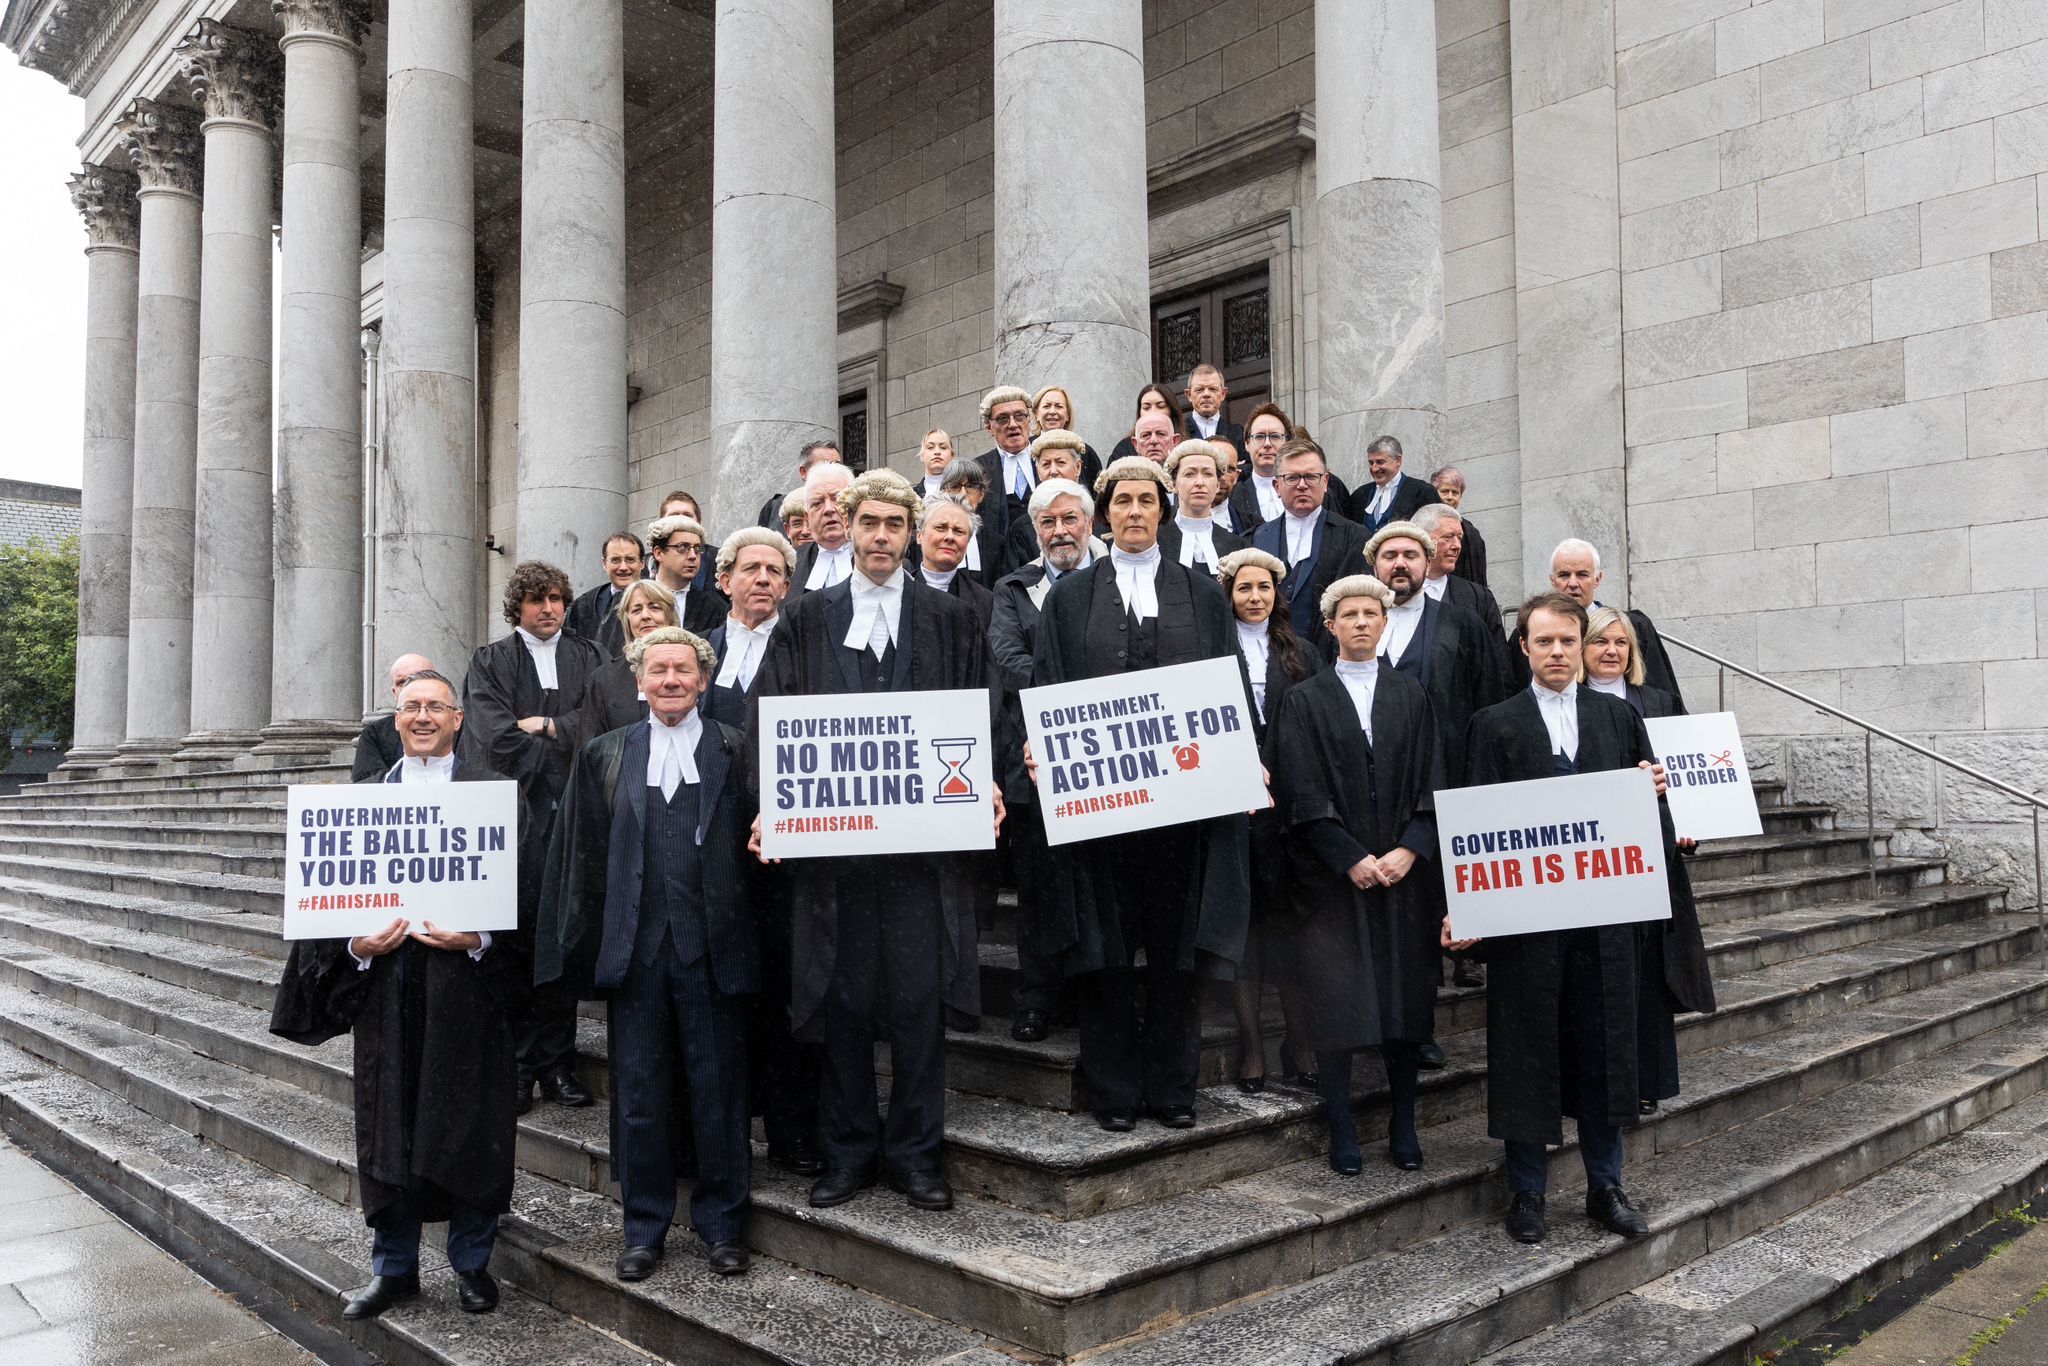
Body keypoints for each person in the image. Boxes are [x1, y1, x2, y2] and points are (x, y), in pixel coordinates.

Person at [751, 471, 999, 1212]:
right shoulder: (804, 618)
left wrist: (982, 782)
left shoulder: (950, 619)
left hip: (921, 860)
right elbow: (772, 718)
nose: (883, 536)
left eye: (896, 524)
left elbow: (980, 711)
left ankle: (918, 1155)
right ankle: (849, 1151)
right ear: (848, 529)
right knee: (846, 1004)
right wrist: (769, 805)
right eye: (871, 524)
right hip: (838, 858)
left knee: (920, 1006)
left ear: (913, 532)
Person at [270, 670, 529, 1319]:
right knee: (390, 1131)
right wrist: (359, 948)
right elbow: (330, 917)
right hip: (387, 990)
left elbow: (529, 897)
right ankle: (394, 1270)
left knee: (472, 1126)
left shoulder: (496, 798)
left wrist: (480, 940)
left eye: (434, 707)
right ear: (395, 720)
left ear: (457, 720)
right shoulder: (359, 802)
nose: (421, 717)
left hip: (467, 991)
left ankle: (472, 1265)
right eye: (410, 707)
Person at [1032, 456, 1250, 1132]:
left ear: (1163, 511)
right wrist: (1041, 751)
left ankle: (1172, 1089)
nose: (1133, 512)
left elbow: (1229, 685)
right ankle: (1116, 1093)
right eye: (1121, 501)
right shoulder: (1068, 600)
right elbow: (1046, 687)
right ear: (1104, 515)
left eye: (1145, 502)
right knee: (1105, 953)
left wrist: (1245, 760)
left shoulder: (1203, 594)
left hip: (1182, 814)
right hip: (1099, 814)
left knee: (1174, 953)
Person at [536, 628, 758, 1282]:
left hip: (713, 950)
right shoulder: (605, 754)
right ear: (639, 681)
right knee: (638, 1096)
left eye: (682, 670)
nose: (669, 680)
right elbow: (579, 856)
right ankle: (644, 1230)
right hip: (635, 954)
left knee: (718, 1090)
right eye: (657, 669)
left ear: (702, 680)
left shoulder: (733, 748)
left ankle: (723, 1228)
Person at [1465, 591, 1674, 1245]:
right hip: (1528, 924)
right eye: (1544, 641)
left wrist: (1655, 792)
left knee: (1606, 1046)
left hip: (1605, 920)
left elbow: (1645, 824)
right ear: (1524, 648)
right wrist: (1467, 909)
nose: (1556, 652)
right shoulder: (1493, 725)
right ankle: (1526, 1190)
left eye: (1567, 641)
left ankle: (1604, 1184)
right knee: (1526, 1048)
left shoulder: (1617, 719)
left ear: (1583, 647)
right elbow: (1473, 827)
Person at [1271, 576, 1442, 1175]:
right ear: (1332, 625)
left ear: (1386, 622)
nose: (1364, 622)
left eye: (1373, 613)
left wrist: (1410, 849)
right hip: (1333, 883)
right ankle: (1340, 1122)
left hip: (1404, 879)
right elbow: (1300, 787)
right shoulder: (1306, 700)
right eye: (1351, 614)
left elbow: (1432, 781)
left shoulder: (1411, 695)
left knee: (1404, 1004)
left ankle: (1403, 1120)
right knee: (1337, 1005)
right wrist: (1347, 855)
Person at [462, 560, 606, 1114]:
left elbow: (597, 723)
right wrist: (561, 751)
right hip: (516, 820)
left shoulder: (591, 655)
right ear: (516, 606)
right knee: (518, 943)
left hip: (573, 817)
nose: (548, 609)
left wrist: (547, 726)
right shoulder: (491, 661)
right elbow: (493, 737)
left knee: (563, 942)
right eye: (536, 601)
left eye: (556, 600)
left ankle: (560, 1064)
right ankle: (519, 1067)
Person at [701, 526, 823, 1178]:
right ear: (724, 581)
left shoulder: (807, 651)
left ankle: (792, 1129)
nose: (765, 581)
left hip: (785, 854)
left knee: (783, 990)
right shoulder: (698, 655)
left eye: (777, 571)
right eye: (752, 569)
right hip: (710, 853)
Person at [1583, 606, 1716, 1117]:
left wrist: (1689, 827)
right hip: (1597, 861)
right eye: (1600, 642)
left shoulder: (1659, 702)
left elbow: (1688, 776)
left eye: (1621, 642)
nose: (1612, 651)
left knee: (1649, 976)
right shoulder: (1571, 706)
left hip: (1657, 861)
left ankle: (1648, 1079)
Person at [989, 478, 1101, 1043]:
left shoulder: (1114, 580)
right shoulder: (1014, 588)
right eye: (1048, 523)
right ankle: (1035, 998)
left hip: (1104, 762)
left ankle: (1089, 996)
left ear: (1088, 522)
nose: (1060, 531)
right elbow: (1009, 658)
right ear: (1036, 531)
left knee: (1094, 885)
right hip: (1031, 763)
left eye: (1069, 520)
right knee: (1037, 888)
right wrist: (1077, 693)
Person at [1218, 548, 1320, 1096]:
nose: (1254, 597)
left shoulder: (1301, 651)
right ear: (1229, 594)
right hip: (1236, 812)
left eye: (1264, 588)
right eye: (1243, 588)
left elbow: (1323, 720)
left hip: (1290, 812)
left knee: (1291, 930)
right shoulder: (1212, 652)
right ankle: (1252, 1044)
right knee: (1247, 930)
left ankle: (1299, 1041)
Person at [1249, 436, 1370, 641]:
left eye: (1311, 477)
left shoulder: (1354, 537)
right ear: (1277, 486)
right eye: (1292, 477)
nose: (1302, 485)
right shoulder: (1258, 538)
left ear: (1325, 482)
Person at [1538, 539, 1684, 703]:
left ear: (1598, 579)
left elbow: (1662, 695)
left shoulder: (1633, 626)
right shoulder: (1535, 633)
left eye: (1582, 574)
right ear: (1552, 580)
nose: (1573, 583)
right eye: (1564, 575)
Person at [556, 579, 679, 751]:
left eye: (655, 607)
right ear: (627, 620)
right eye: (636, 610)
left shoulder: (692, 669)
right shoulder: (604, 679)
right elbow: (589, 748)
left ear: (669, 615)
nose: (645, 616)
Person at [1413, 503, 1510, 694]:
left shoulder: (1478, 598)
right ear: (1421, 539)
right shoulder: (1390, 596)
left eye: (1459, 538)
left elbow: (1499, 666)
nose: (1457, 546)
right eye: (1448, 537)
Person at [1004, 428, 1089, 569]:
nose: (1054, 471)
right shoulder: (1022, 529)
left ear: (1078, 467)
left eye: (1061, 462)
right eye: (1046, 464)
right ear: (1038, 472)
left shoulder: (1099, 517)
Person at [1161, 438, 1247, 573]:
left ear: (1218, 485)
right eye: (1190, 474)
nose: (1200, 482)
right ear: (1173, 484)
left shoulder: (1236, 546)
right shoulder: (1156, 541)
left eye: (1208, 474)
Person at [917, 491, 997, 631]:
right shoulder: (899, 591)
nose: (949, 537)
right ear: (919, 535)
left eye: (958, 531)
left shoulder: (985, 602)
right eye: (940, 528)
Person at [562, 533, 646, 658]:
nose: (623, 567)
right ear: (604, 563)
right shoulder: (583, 606)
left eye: (630, 560)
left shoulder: (658, 600)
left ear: (642, 563)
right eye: (615, 560)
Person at [352, 651, 433, 782]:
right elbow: (366, 786)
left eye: (419, 679)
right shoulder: (375, 734)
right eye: (402, 682)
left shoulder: (462, 729)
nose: (410, 687)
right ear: (395, 693)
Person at [648, 515, 731, 633]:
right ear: (659, 553)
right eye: (682, 547)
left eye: (698, 549)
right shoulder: (635, 599)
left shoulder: (713, 606)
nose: (692, 555)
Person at [787, 462, 856, 601]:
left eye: (837, 499)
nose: (828, 509)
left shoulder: (884, 560)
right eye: (817, 503)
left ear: (854, 507)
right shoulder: (789, 565)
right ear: (807, 517)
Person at [975, 385, 1037, 538]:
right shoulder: (978, 469)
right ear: (989, 427)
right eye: (1002, 419)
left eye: (1019, 416)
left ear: (1029, 420)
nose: (1013, 424)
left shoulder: (1049, 456)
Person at [937, 457, 1006, 587]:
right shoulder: (929, 540)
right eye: (955, 486)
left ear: (981, 495)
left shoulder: (997, 544)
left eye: (971, 486)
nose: (963, 493)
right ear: (944, 492)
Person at [1347, 435, 1436, 531]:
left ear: (1398, 460)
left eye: (1380, 462)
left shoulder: (1422, 492)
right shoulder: (1359, 495)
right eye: (1371, 463)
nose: (1374, 468)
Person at [756, 438, 842, 528]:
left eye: (837, 466)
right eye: (823, 466)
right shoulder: (774, 507)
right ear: (803, 472)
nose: (833, 471)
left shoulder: (848, 504)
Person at [1031, 384, 1103, 487]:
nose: (1052, 411)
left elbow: (1099, 494)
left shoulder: (1085, 452)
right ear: (1036, 413)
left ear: (1068, 415)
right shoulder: (1027, 450)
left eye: (1059, 406)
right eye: (1046, 406)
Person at [1430, 466, 1487, 585]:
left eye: (1455, 493)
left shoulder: (1471, 532)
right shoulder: (1423, 525)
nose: (1450, 497)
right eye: (1444, 491)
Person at [1107, 383, 1184, 465]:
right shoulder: (1124, 449)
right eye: (1146, 408)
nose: (1153, 411)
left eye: (1160, 406)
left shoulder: (1187, 445)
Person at [1180, 363, 1245, 461]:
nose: (1206, 394)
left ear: (1223, 394)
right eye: (1199, 389)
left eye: (1213, 389)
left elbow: (1248, 467)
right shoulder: (1179, 432)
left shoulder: (1237, 433)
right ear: (1188, 394)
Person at [917, 429, 955, 500]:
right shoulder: (912, 496)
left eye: (943, 447)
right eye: (930, 447)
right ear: (921, 456)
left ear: (952, 455)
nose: (937, 452)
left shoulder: (964, 490)